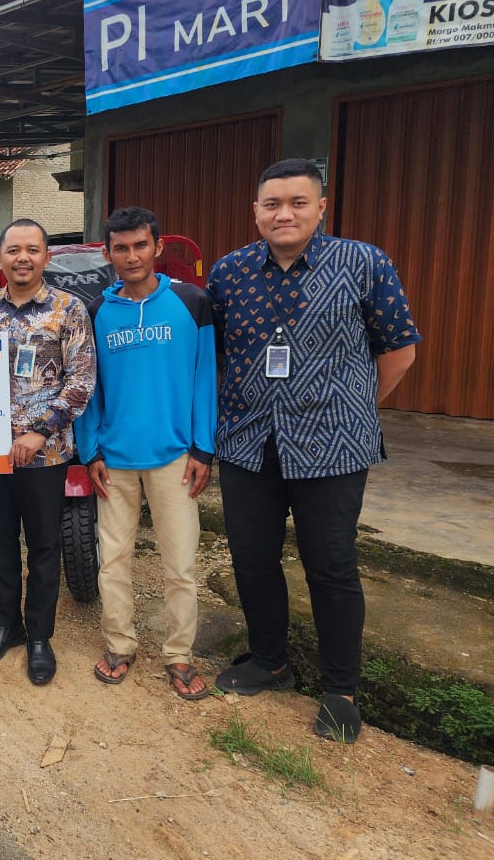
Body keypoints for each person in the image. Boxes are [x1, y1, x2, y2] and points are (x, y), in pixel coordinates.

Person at [208, 158, 420, 742]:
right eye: (272, 204)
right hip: (249, 441)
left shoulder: (364, 263)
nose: (285, 214)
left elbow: (399, 349)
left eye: (298, 202)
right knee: (252, 559)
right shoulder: (229, 273)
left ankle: (340, 690)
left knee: (330, 566)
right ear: (256, 211)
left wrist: (352, 406)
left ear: (320, 208)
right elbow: (220, 352)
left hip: (333, 447)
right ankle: (269, 661)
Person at [76, 207, 216, 701]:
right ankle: (120, 644)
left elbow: (205, 377)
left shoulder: (191, 302)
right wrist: (90, 450)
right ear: (108, 253)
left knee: (180, 564)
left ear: (158, 247)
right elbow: (88, 386)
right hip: (114, 460)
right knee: (113, 561)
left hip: (176, 458)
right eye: (121, 248)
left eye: (140, 245)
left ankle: (179, 654)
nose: (131, 256)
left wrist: (203, 448)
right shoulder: (96, 312)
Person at [0, 219, 95, 685]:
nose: (23, 258)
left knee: (43, 545)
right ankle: (7, 626)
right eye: (14, 250)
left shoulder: (68, 309)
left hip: (45, 453)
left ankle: (39, 636)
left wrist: (40, 432)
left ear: (46, 257)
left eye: (32, 250)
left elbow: (81, 381)